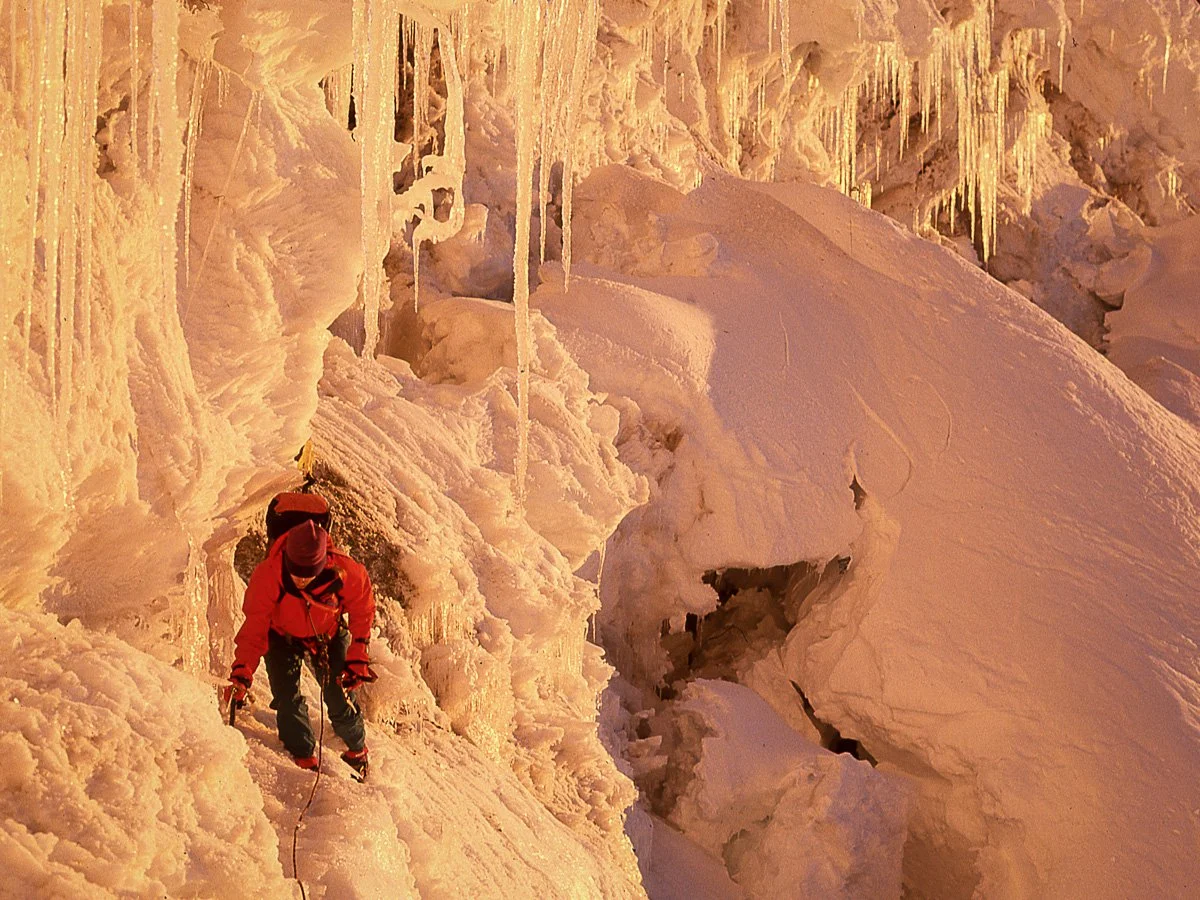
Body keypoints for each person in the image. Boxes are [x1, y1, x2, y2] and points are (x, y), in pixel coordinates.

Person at [223, 518, 377, 777]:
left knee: (338, 695)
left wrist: (358, 652)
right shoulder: (268, 575)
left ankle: (357, 749)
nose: (302, 580)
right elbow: (254, 629)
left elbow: (363, 609)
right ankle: (303, 758)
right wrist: (242, 672)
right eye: (296, 574)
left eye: (308, 575)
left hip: (328, 634)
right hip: (281, 636)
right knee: (287, 698)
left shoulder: (346, 570)